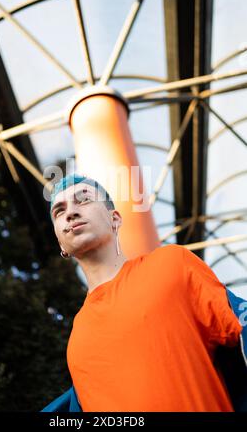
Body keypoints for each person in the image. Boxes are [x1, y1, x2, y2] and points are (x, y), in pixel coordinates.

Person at [46, 173, 245, 412]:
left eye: (84, 200)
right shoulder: (76, 343)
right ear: (61, 245)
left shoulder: (172, 264)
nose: (70, 213)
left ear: (115, 219)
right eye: (59, 211)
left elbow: (239, 325)